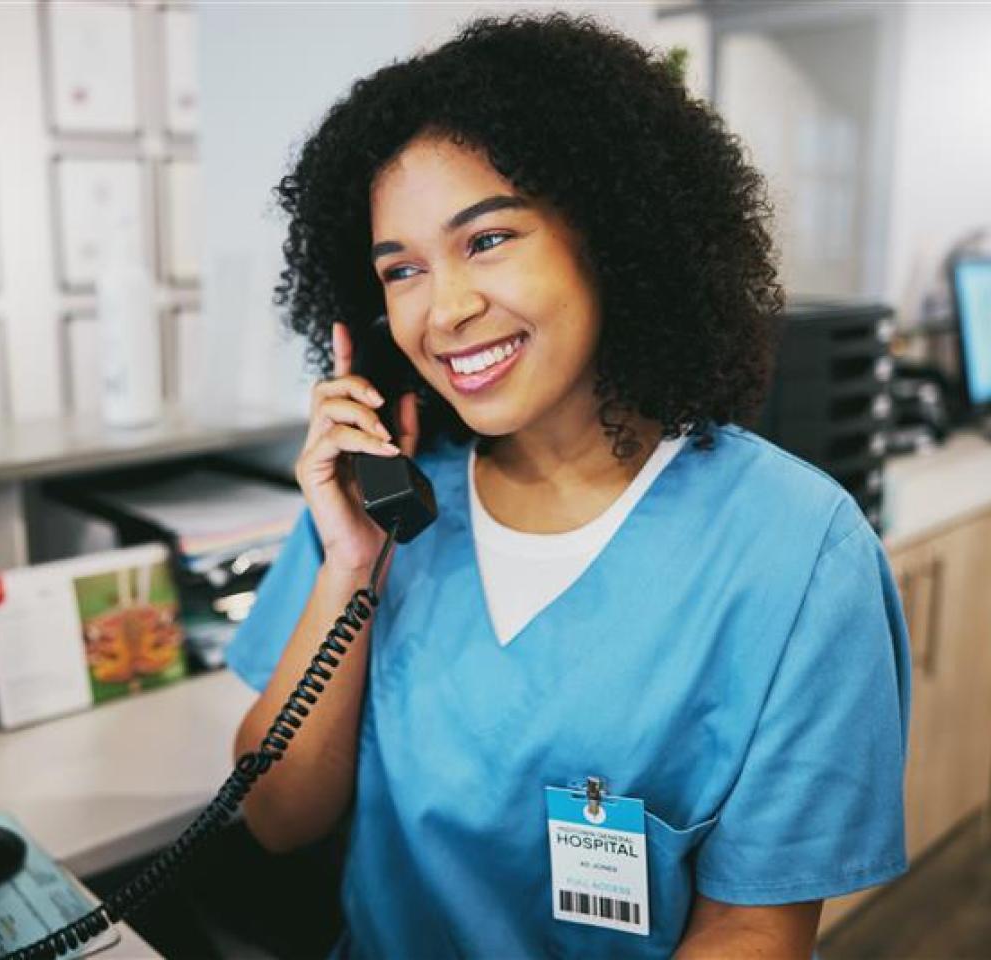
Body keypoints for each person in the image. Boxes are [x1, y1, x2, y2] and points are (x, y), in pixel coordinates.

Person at [226, 13, 909, 959]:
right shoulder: (379, 509)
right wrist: (350, 566)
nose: (446, 309)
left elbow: (754, 926)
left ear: (609, 235)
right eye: (403, 269)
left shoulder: (798, 552)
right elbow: (273, 820)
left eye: (488, 239)